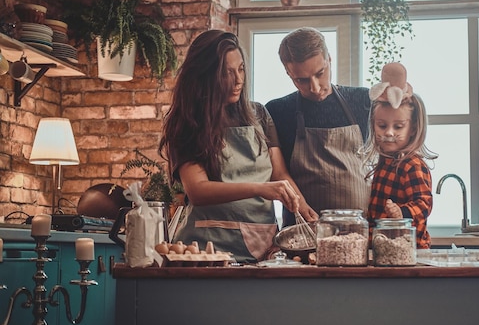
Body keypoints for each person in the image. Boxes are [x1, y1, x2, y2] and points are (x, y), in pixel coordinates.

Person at [159, 30, 313, 263]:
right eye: (226, 73)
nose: (238, 80)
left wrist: (304, 209)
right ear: (205, 75)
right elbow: (197, 191)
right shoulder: (187, 122)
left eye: (241, 69)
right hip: (205, 250)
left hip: (262, 246)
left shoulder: (259, 114)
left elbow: (279, 174)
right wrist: (260, 188)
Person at [265, 27, 371, 227]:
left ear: (329, 59)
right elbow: (278, 172)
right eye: (302, 80)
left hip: (362, 231)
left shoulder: (363, 100)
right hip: (304, 231)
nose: (314, 87)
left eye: (320, 73)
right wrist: (299, 204)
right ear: (288, 73)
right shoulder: (277, 111)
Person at [362, 62, 437, 249]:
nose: (388, 133)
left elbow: (424, 204)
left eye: (398, 126)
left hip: (409, 251)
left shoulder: (412, 164)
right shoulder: (385, 162)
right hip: (385, 248)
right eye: (382, 125)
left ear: (412, 129)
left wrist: (402, 212)